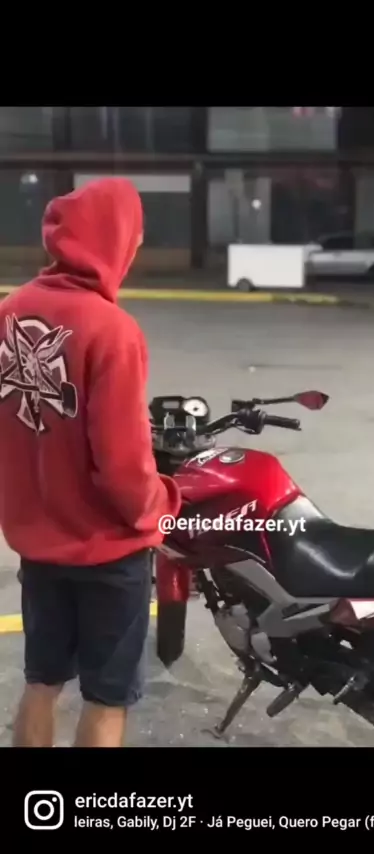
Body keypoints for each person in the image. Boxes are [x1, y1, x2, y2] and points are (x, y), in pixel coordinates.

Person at [0, 177, 181, 747]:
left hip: (37, 543)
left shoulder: (9, 312)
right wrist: (160, 507)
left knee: (41, 681)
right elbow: (122, 466)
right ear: (114, 239)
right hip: (107, 548)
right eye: (135, 237)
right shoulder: (111, 329)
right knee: (107, 698)